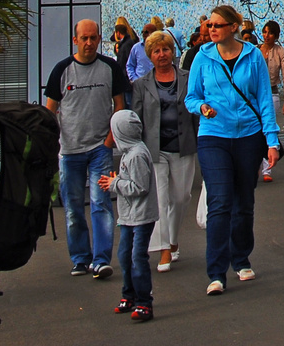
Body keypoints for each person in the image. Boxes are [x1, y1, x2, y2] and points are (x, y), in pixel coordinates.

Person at [185, 5, 281, 296]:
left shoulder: (253, 56)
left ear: (233, 27)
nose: (211, 29)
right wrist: (201, 107)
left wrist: (272, 140)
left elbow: (265, 99)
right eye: (209, 25)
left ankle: (240, 259)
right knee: (220, 201)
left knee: (243, 201)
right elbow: (191, 96)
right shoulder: (202, 57)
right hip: (213, 135)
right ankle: (216, 271)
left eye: (217, 25)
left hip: (248, 135)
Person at [45, 19, 131, 278]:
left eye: (93, 38)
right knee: (72, 207)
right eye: (84, 38)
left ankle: (101, 259)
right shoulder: (62, 70)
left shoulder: (110, 67)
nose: (89, 43)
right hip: (70, 151)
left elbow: (120, 106)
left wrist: (108, 140)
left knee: (100, 202)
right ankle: (80, 258)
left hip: (99, 149)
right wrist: (55, 144)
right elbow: (50, 111)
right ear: (76, 40)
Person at [130, 29, 197, 273]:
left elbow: (196, 110)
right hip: (154, 148)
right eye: (157, 51)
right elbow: (136, 118)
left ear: (173, 51)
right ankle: (164, 249)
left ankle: (174, 238)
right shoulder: (140, 85)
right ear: (149, 55)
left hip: (183, 145)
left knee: (181, 198)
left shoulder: (187, 78)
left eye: (166, 49)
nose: (162, 54)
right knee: (160, 200)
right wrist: (134, 149)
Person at [100, 110, 157, 322]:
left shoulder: (137, 155)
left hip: (141, 216)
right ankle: (129, 295)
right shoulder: (128, 153)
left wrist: (114, 184)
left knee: (137, 258)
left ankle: (144, 302)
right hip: (128, 216)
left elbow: (140, 186)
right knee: (125, 255)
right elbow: (130, 181)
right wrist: (118, 180)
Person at [258, 20, 284, 170]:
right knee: (257, 129)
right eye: (265, 32)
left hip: (272, 93)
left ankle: (267, 167)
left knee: (268, 126)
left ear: (276, 36)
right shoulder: (255, 50)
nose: (267, 36)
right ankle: (258, 162)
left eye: (270, 33)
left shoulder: (280, 52)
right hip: (256, 95)